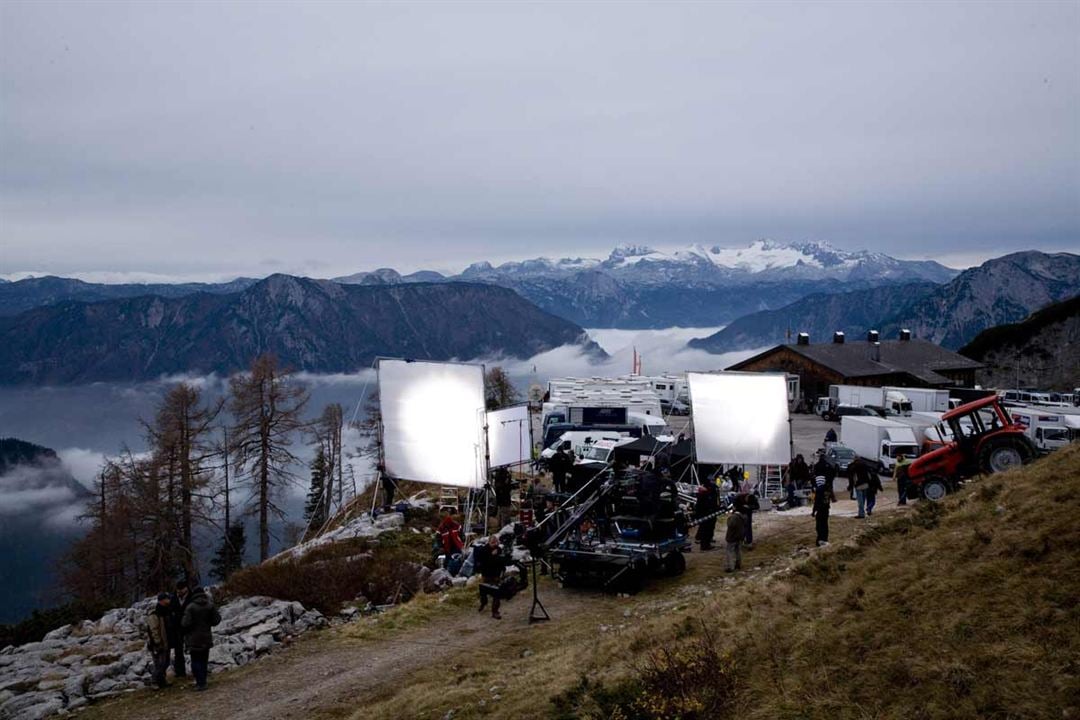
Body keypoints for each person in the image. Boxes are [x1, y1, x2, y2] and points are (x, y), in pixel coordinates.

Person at [180, 586, 220, 691]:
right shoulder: (210, 605)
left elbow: (185, 623)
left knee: (195, 660)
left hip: (193, 638)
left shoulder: (190, 607)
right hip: (206, 637)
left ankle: (199, 683)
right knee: (204, 660)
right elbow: (216, 620)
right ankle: (203, 682)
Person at [474, 535, 507, 619]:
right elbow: (483, 563)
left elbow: (501, 561)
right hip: (487, 574)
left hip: (496, 574)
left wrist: (503, 570)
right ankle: (483, 603)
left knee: (497, 593)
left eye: (496, 542)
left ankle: (495, 611)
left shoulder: (498, 549)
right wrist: (491, 555)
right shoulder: (483, 550)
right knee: (484, 592)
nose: (494, 544)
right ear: (489, 542)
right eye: (492, 542)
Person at [146, 593, 172, 689]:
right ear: (162, 600)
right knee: (159, 663)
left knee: (166, 662)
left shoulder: (166, 611)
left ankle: (162, 680)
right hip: (157, 643)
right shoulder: (155, 614)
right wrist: (157, 642)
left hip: (166, 641)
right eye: (167, 599)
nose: (169, 601)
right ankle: (154, 681)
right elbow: (154, 630)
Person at [811, 457, 837, 546]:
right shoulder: (827, 489)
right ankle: (824, 539)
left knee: (819, 525)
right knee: (824, 524)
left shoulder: (819, 490)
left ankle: (820, 539)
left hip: (820, 509)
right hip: (825, 507)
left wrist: (814, 511)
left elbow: (817, 501)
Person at [168, 580, 190, 678]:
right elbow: (170, 611)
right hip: (177, 627)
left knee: (193, 648)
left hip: (189, 627)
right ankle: (180, 672)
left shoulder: (191, 597)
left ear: (186, 588)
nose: (179, 592)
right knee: (178, 650)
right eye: (178, 590)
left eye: (181, 590)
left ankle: (197, 669)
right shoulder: (173, 598)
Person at [694, 480, 718, 550]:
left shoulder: (708, 493)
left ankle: (706, 543)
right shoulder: (705, 493)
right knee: (706, 529)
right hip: (706, 513)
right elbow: (704, 505)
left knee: (707, 529)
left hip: (708, 513)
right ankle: (705, 545)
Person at [725, 504, 746, 572]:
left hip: (732, 537)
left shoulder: (734, 517)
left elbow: (730, 525)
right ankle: (738, 564)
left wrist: (729, 517)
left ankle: (730, 567)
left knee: (730, 551)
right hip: (740, 536)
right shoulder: (744, 516)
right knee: (738, 551)